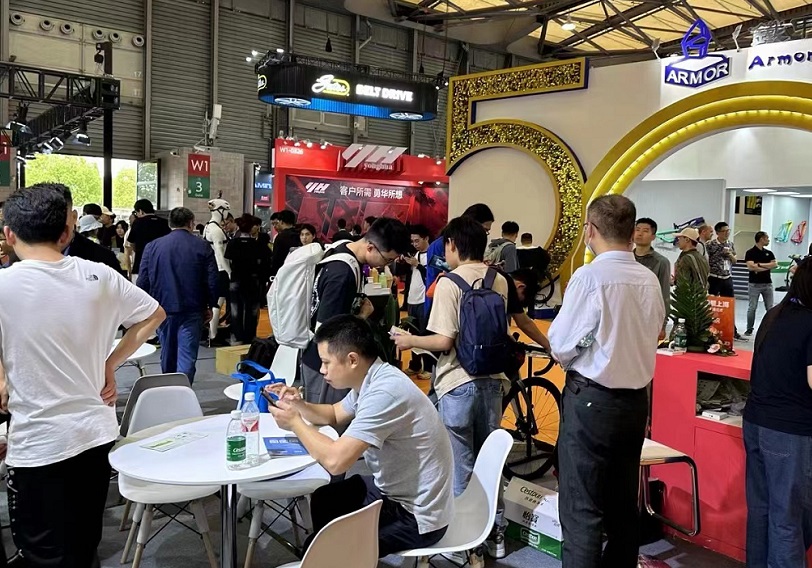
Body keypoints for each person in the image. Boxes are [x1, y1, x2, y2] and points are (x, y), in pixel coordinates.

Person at [0, 183, 165, 567]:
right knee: (83, 543)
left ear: (9, 234)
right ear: (66, 232)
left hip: (38, 444)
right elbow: (154, 315)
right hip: (94, 435)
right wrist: (110, 362)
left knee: (42, 554)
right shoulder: (99, 275)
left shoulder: (4, 284)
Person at [267, 315, 453, 557]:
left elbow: (336, 461)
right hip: (396, 492)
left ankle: (337, 556)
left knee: (320, 547)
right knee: (325, 498)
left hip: (419, 515)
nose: (322, 370)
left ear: (352, 359)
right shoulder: (373, 378)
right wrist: (299, 405)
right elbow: (334, 414)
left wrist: (294, 423)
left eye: (326, 362)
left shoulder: (385, 392)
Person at [548, 194, 664, 568]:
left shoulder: (590, 276)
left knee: (582, 507)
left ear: (590, 230)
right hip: (635, 403)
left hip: (592, 401)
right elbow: (657, 332)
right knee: (622, 503)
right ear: (632, 233)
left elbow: (561, 345)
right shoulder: (648, 278)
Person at [393, 216, 509, 562]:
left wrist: (410, 340)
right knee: (489, 463)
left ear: (453, 245)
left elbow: (444, 341)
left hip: (458, 382)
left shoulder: (449, 282)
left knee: (461, 465)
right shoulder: (499, 280)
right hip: (493, 380)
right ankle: (496, 533)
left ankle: (468, 544)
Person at [743, 257, 812, 567]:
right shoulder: (810, 321)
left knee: (761, 510)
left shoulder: (774, 314)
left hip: (756, 421)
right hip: (789, 431)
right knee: (787, 516)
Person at [302, 218, 411, 406]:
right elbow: (325, 332)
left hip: (331, 362)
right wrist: (361, 316)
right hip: (326, 366)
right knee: (327, 418)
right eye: (387, 259)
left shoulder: (344, 248)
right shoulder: (342, 274)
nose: (384, 265)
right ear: (370, 247)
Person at [137, 207, 219, 384]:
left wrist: (146, 308)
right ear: (191, 223)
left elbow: (143, 280)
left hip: (162, 308)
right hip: (193, 308)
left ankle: (168, 387)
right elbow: (212, 279)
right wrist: (211, 304)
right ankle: (183, 390)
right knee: (187, 355)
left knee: (167, 352)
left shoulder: (152, 246)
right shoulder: (202, 246)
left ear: (170, 224)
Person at [425, 203, 495, 314]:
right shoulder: (440, 245)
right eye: (484, 230)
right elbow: (439, 275)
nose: (484, 235)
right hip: (440, 303)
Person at [224, 214, 270, 345]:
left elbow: (227, 260)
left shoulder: (233, 243)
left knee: (235, 309)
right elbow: (266, 262)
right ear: (251, 228)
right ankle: (250, 337)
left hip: (236, 278)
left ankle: (237, 336)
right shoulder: (258, 245)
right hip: (252, 280)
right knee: (252, 310)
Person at [633, 218, 671, 338]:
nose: (640, 234)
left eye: (645, 231)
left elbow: (664, 293)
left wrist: (662, 325)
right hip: (626, 315)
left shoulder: (661, 262)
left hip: (648, 316)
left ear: (653, 237)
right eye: (637, 230)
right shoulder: (625, 259)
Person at [707, 221, 745, 340]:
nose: (727, 233)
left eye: (728, 231)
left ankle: (732, 330)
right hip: (714, 277)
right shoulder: (710, 245)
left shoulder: (730, 244)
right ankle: (709, 329)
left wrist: (729, 254)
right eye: (724, 231)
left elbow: (735, 261)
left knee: (729, 304)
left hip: (727, 277)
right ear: (718, 233)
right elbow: (706, 259)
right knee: (711, 304)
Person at [404, 225, 433, 380]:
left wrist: (418, 265)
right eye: (412, 241)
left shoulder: (432, 255)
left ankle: (428, 367)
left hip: (423, 300)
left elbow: (430, 277)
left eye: (417, 240)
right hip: (412, 299)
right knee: (412, 333)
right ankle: (415, 365)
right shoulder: (415, 254)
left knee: (425, 334)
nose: (414, 244)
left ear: (426, 238)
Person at [127, 198, 170, 283]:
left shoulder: (138, 222)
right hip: (161, 265)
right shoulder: (165, 222)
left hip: (141, 263)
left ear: (140, 211)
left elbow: (131, 243)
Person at [744, 231, 776, 336]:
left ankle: (770, 327)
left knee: (770, 308)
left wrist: (759, 265)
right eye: (767, 238)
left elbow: (774, 264)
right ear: (761, 239)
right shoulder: (750, 252)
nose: (768, 240)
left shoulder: (769, 253)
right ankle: (749, 328)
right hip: (754, 284)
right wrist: (767, 267)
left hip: (767, 284)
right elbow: (750, 267)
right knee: (752, 307)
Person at [270, 209, 300, 276]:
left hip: (283, 272)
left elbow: (276, 259)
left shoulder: (280, 237)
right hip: (297, 271)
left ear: (281, 221)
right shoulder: (300, 234)